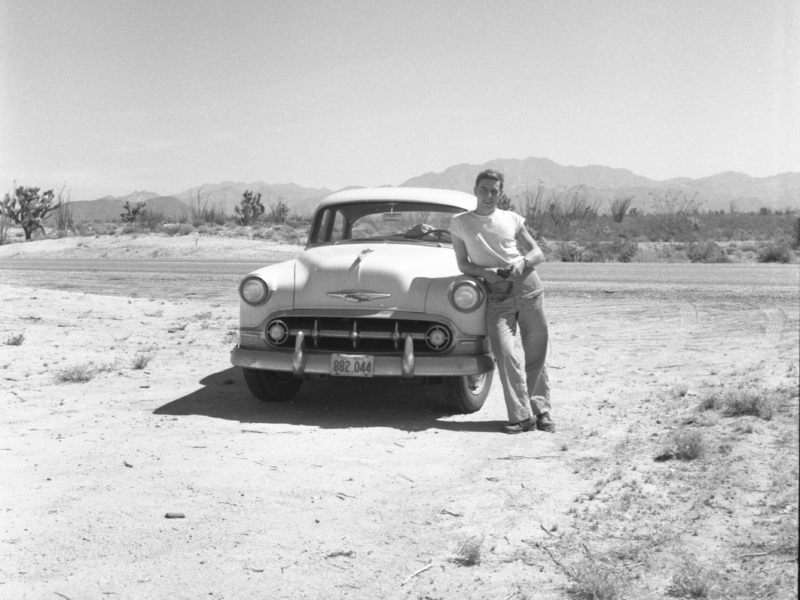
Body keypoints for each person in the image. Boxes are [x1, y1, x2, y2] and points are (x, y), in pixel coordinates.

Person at [449, 169, 555, 434]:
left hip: (528, 287)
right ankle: (521, 416)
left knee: (536, 352)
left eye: (494, 191)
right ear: (475, 190)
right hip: (497, 294)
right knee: (505, 353)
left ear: (501, 193)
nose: (489, 195)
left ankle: (541, 412)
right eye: (484, 189)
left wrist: (522, 264)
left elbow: (537, 252)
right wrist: (486, 273)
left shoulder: (511, 218)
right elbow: (463, 263)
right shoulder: (460, 222)